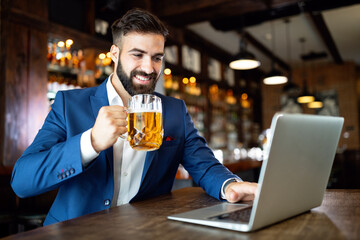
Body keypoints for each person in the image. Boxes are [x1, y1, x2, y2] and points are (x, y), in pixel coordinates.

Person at [11, 8, 257, 225]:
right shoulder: (69, 104)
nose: (149, 68)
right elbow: (22, 181)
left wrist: (230, 186)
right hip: (74, 232)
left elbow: (204, 165)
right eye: (137, 54)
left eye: (157, 58)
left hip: (142, 231)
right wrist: (91, 142)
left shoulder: (174, 111)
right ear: (115, 54)